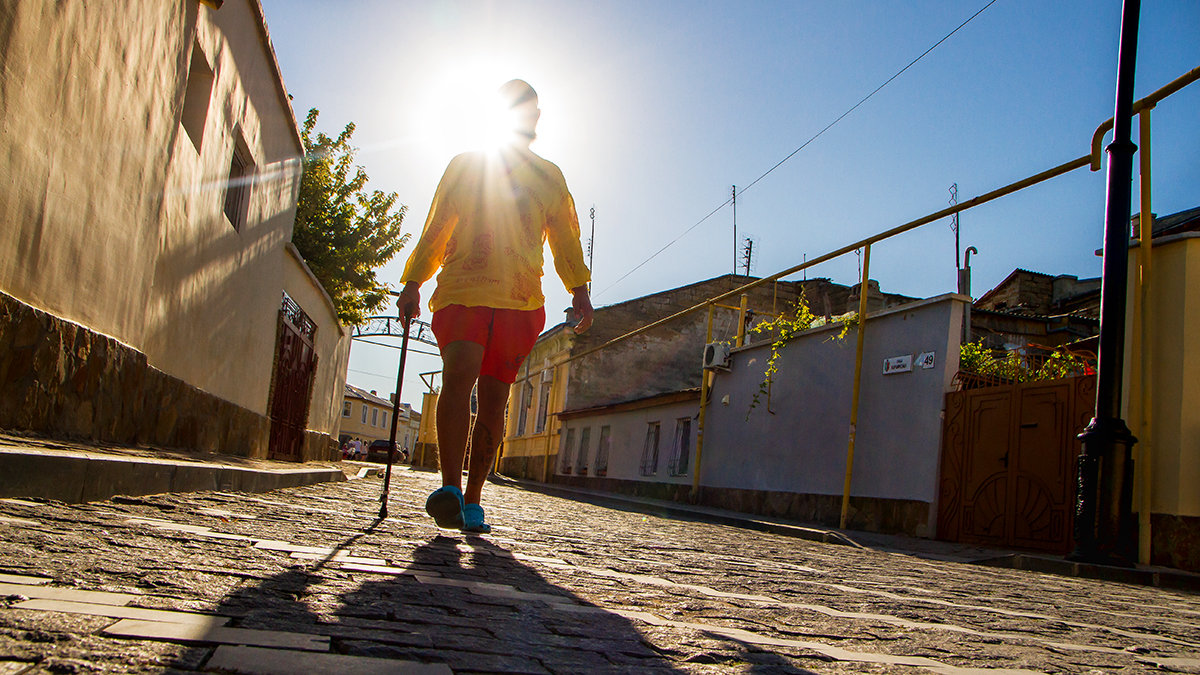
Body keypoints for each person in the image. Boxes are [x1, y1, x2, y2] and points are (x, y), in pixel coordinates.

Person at [397, 79, 593, 534]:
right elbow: (437, 227)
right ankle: (448, 488)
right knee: (459, 373)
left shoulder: (549, 176)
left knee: (495, 399)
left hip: (520, 301)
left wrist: (579, 288)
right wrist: (413, 282)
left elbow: (565, 239)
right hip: (463, 288)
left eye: (532, 110)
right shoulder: (464, 166)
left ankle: (474, 499)